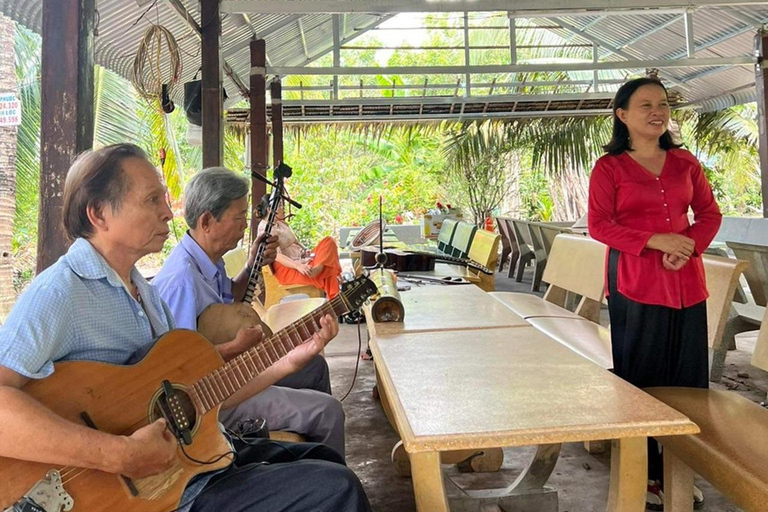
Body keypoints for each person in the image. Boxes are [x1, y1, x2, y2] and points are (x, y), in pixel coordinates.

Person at [0, 144, 371, 512]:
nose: (167, 213)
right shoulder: (62, 291)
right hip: (155, 492)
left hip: (189, 466)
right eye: (151, 201)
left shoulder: (143, 292)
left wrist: (289, 360)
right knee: (337, 489)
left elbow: (201, 396)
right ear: (98, 213)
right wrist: (119, 455)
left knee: (325, 458)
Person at [588, 78, 722, 510]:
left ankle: (679, 470)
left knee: (688, 381)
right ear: (622, 115)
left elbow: (708, 213)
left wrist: (688, 246)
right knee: (642, 382)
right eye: (644, 104)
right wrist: (656, 240)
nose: (656, 111)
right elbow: (599, 225)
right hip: (636, 283)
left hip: (687, 283)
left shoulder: (685, 163)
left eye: (662, 104)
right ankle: (644, 473)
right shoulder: (609, 168)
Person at [153, 167, 346, 458]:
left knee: (314, 367)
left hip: (234, 372)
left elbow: (231, 300)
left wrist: (252, 263)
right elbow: (182, 374)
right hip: (216, 399)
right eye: (239, 216)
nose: (245, 225)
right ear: (207, 221)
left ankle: (307, 459)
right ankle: (327, 484)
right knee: (328, 412)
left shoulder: (207, 258)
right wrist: (234, 349)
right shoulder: (181, 282)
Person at [257, 199, 342, 298]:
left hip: (301, 260)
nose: (283, 208)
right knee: (329, 268)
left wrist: (306, 251)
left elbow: (295, 242)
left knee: (329, 241)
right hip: (288, 268)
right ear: (269, 209)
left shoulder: (281, 223)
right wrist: (298, 266)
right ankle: (335, 299)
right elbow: (277, 256)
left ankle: (316, 269)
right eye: (280, 205)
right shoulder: (265, 229)